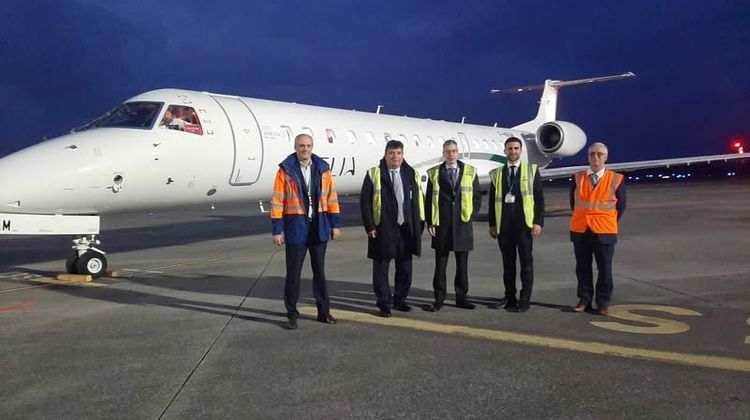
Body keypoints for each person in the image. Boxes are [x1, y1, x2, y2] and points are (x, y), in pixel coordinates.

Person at [271, 134, 341, 329]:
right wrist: (277, 229)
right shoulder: (285, 170)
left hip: (319, 226)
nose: (305, 149)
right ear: (295, 147)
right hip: (295, 227)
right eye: (301, 146)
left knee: (320, 272)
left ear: (312, 147)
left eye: (308, 146)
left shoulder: (323, 169)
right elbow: (277, 200)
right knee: (293, 273)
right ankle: (292, 313)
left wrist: (335, 224)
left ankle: (323, 311)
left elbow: (332, 198)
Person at [360, 140, 425, 317]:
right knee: (381, 267)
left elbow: (418, 200)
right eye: (391, 153)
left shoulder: (411, 173)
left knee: (405, 267)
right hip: (383, 228)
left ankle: (400, 299)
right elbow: (365, 203)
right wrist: (370, 226)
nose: (395, 157)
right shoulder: (374, 174)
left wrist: (420, 224)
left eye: (398, 153)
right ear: (386, 154)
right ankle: (384, 302)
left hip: (406, 228)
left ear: (403, 155)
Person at [424, 139, 482, 311]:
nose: (451, 154)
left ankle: (461, 297)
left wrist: (471, 215)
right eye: (448, 151)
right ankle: (439, 299)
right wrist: (430, 222)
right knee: (440, 266)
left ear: (458, 153)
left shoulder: (470, 172)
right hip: (441, 226)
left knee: (462, 266)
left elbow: (477, 196)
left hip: (462, 225)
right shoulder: (435, 173)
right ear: (443, 153)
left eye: (454, 151)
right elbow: (429, 200)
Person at [569, 142, 626, 315]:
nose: (596, 157)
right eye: (592, 154)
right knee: (582, 268)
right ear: (588, 156)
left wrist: (605, 220)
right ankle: (584, 300)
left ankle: (603, 302)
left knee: (605, 269)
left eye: (599, 154)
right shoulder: (578, 177)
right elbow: (574, 203)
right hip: (581, 230)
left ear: (606, 157)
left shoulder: (616, 179)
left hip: (604, 231)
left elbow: (621, 206)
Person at [488, 137, 544, 312]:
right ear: (505, 151)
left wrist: (537, 222)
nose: (513, 151)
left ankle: (525, 299)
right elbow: (491, 201)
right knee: (508, 265)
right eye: (510, 148)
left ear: (520, 151)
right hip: (504, 227)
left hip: (524, 225)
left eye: (516, 148)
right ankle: (510, 297)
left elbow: (539, 199)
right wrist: (492, 224)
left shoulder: (531, 170)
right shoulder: (497, 174)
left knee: (526, 264)